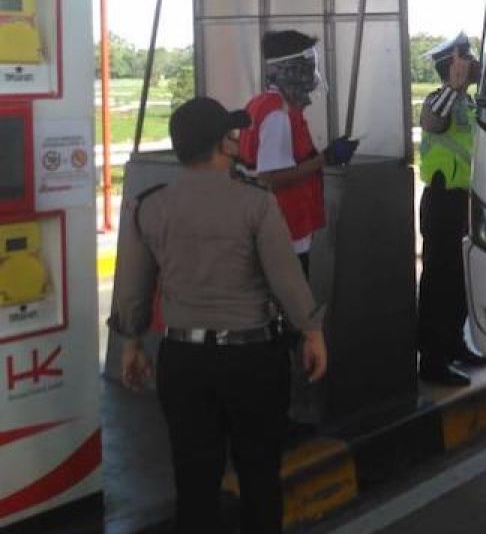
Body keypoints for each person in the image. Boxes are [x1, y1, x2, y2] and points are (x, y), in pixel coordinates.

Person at [110, 97, 328, 534]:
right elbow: (287, 279)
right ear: (223, 145)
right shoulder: (257, 202)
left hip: (183, 360)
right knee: (259, 475)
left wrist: (132, 344)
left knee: (194, 481)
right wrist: (312, 331)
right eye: (232, 134)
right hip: (252, 359)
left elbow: (132, 288)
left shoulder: (150, 206)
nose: (237, 140)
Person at [239, 30, 357, 273]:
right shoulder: (277, 114)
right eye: (307, 67)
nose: (311, 76)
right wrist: (325, 159)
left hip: (277, 229)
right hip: (284, 232)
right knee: (292, 304)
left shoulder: (261, 103)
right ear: (290, 71)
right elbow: (270, 177)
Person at [417, 32, 486, 386]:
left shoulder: (472, 105)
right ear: (454, 66)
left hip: (467, 202)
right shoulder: (437, 100)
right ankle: (431, 359)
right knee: (438, 282)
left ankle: (454, 344)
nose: (475, 64)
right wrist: (454, 86)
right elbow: (432, 122)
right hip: (442, 203)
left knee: (460, 279)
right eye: (468, 59)